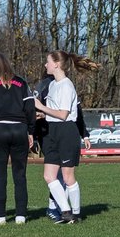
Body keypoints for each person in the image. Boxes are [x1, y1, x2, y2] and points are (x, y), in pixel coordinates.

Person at [33, 50, 100, 224]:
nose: (45, 65)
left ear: (56, 64)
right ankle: (66, 211)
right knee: (49, 176)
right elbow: (54, 112)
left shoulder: (66, 85)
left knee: (68, 177)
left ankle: (76, 214)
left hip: (66, 131)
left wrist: (41, 107)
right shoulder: (53, 85)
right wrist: (42, 116)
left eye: (48, 62)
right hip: (52, 131)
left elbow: (63, 114)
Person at [0, 52, 36, 225]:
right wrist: (31, 131)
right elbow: (30, 108)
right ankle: (20, 216)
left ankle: (0, 217)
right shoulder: (21, 82)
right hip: (20, 129)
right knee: (20, 175)